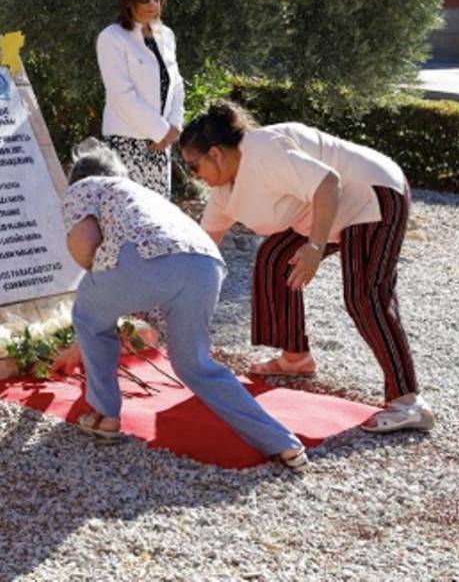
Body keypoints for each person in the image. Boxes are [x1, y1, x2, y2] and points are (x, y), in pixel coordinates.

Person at [179, 100, 435, 433]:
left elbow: (328, 182)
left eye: (193, 165)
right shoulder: (225, 191)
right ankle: (296, 358)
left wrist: (314, 247)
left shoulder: (264, 150)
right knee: (274, 258)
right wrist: (170, 293)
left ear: (215, 153)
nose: (192, 176)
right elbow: (202, 247)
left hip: (372, 194)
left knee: (364, 295)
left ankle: (409, 402)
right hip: (326, 211)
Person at [62, 139, 308, 471]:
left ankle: (104, 415)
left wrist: (105, 294)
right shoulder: (139, 193)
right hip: (206, 264)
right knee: (194, 364)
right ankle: (282, 443)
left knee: (87, 312)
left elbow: (84, 245)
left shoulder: (86, 187)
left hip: (149, 256)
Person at [96, 0, 185, 197]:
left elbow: (176, 82)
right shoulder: (112, 38)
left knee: (159, 220)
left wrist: (174, 127)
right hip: (127, 143)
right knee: (128, 217)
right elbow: (121, 95)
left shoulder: (166, 35)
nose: (153, 4)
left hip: (161, 144)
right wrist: (160, 131)